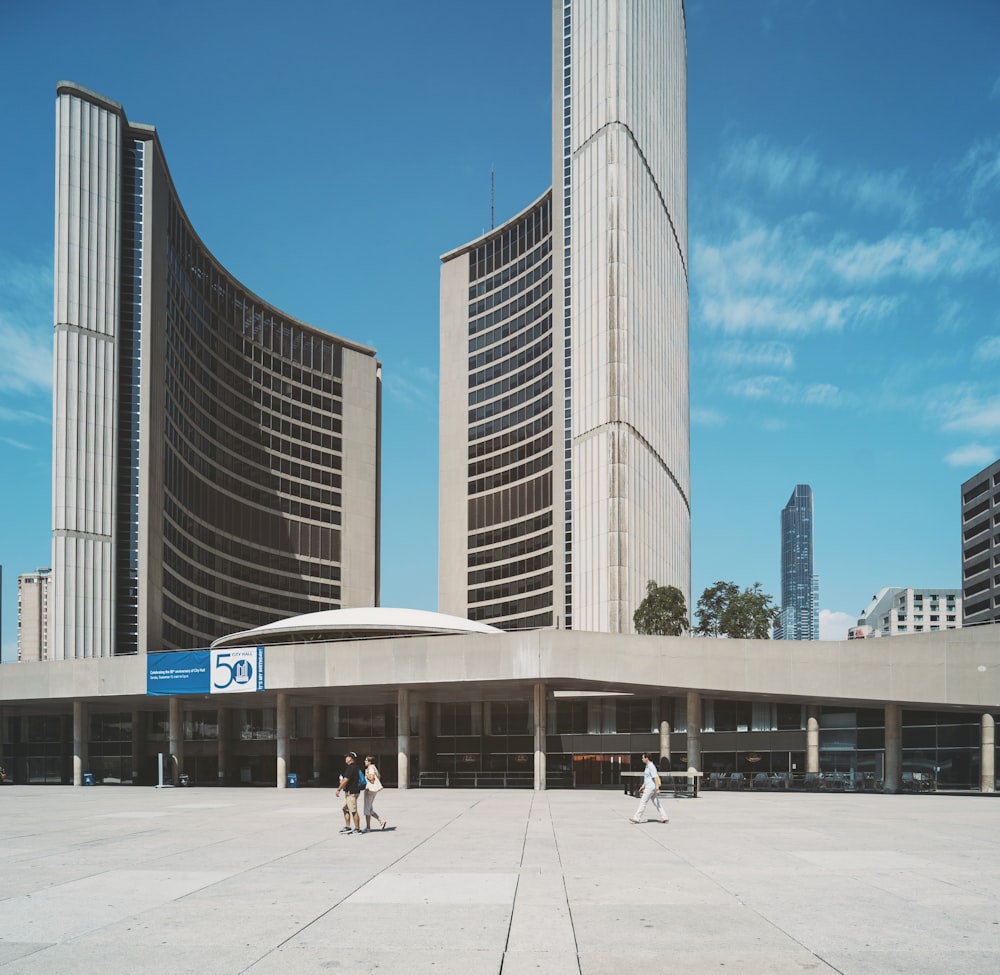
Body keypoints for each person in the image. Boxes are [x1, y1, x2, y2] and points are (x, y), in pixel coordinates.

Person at [629, 753, 669, 824]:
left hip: (650, 788)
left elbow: (655, 778)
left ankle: (636, 818)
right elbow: (648, 778)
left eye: (643, 758)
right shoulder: (647, 766)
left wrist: (657, 788)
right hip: (650, 787)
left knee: (643, 802)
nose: (642, 759)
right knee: (657, 803)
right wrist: (643, 786)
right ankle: (664, 817)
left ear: (647, 758)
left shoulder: (651, 766)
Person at [335, 751, 365, 834]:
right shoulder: (353, 767)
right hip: (348, 792)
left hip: (352, 792)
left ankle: (357, 828)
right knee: (344, 808)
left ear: (351, 758)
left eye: (347, 757)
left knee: (353, 810)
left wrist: (338, 789)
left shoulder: (351, 768)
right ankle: (348, 826)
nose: (345, 758)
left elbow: (345, 780)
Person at [362, 755, 388, 832]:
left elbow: (372, 778)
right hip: (373, 790)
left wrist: (366, 775)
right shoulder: (374, 767)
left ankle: (368, 827)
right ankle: (381, 821)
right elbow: (379, 776)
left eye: (366, 760)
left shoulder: (370, 768)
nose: (365, 761)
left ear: (370, 762)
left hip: (369, 789)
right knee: (369, 809)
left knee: (367, 809)